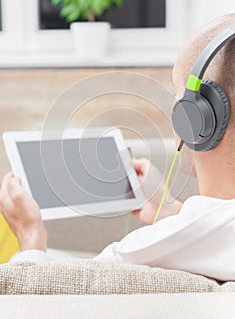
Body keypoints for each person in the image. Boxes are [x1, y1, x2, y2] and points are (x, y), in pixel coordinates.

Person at [1, 14, 235, 281]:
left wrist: (30, 238)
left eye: (177, 96)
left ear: (196, 118)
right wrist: (172, 210)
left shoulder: (133, 256)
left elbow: (41, 289)